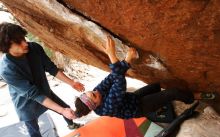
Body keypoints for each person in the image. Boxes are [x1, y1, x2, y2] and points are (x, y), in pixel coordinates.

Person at [74, 36, 216, 119]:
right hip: (139, 108)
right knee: (173, 93)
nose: (96, 91)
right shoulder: (107, 108)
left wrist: (126, 61)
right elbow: (119, 83)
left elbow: (112, 78)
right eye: (94, 95)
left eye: (91, 92)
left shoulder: (97, 92)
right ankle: (195, 96)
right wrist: (112, 56)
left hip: (132, 99)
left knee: (155, 86)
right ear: (95, 105)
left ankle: (159, 107)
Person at [0, 22, 85, 137]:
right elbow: (34, 94)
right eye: (18, 42)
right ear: (6, 48)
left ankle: (71, 125)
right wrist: (61, 110)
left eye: (23, 38)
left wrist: (72, 83)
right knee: (32, 126)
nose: (25, 43)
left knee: (65, 107)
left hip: (43, 90)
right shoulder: (7, 70)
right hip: (25, 101)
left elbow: (51, 68)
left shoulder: (34, 48)